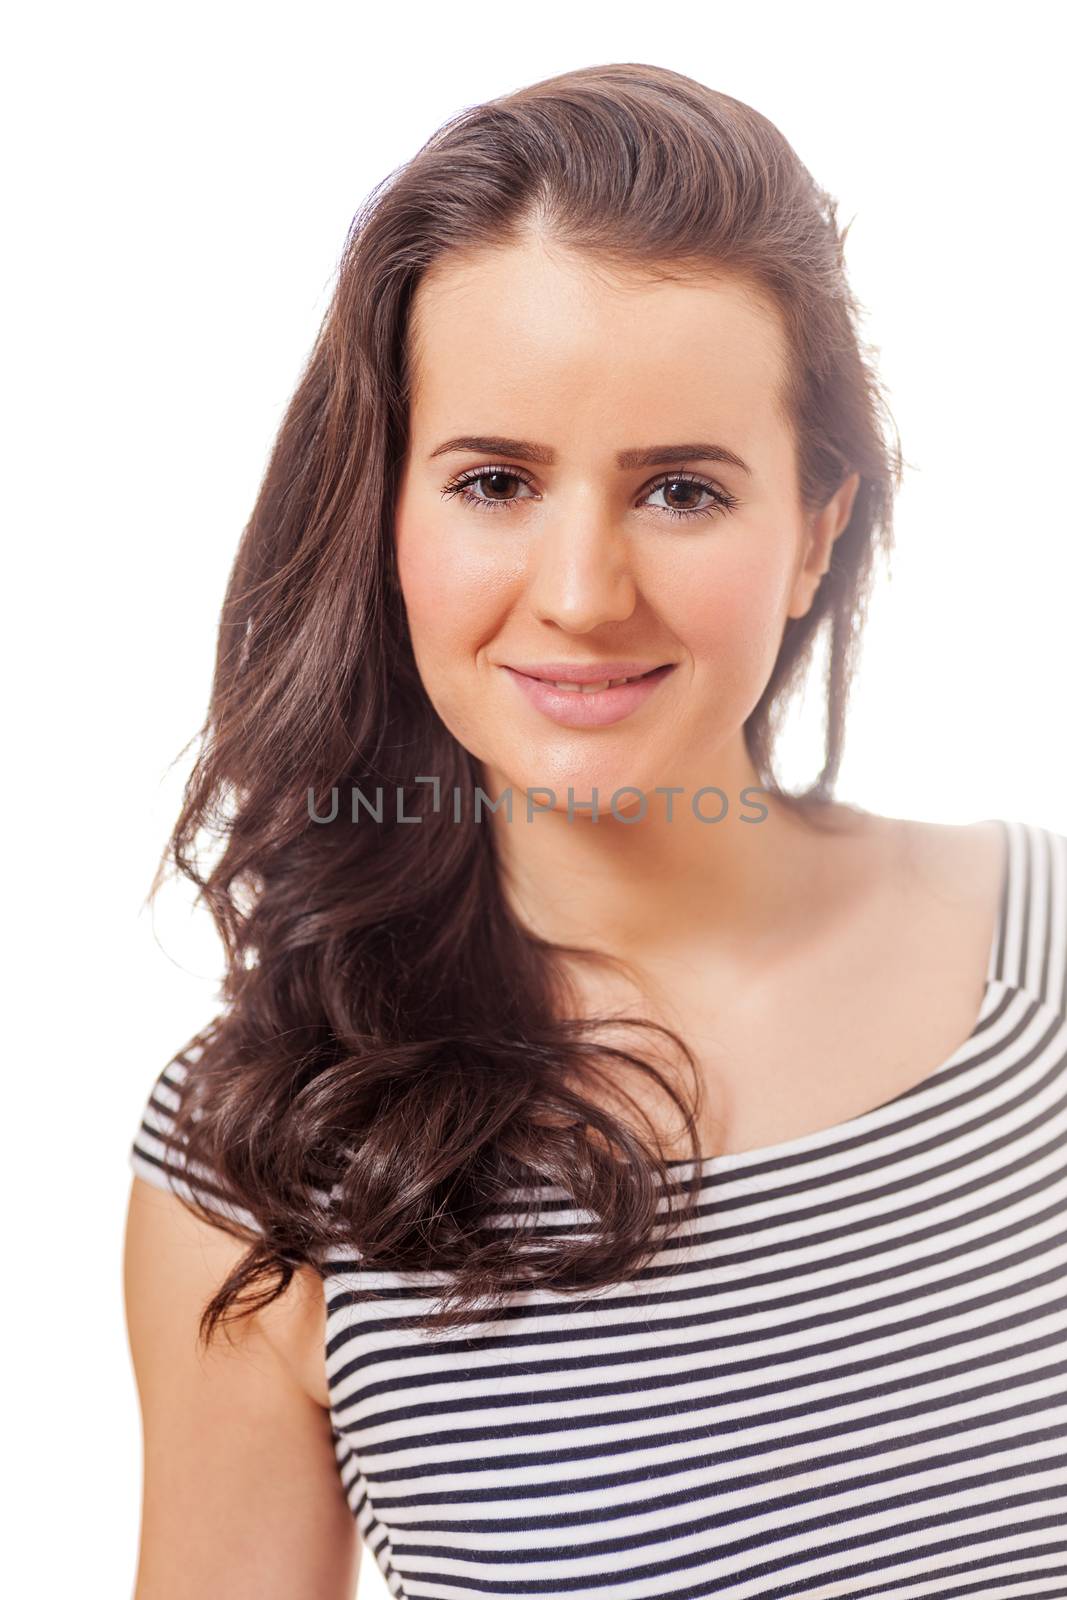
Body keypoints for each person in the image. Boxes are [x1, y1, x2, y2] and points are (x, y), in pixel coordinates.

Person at [123, 61, 1067, 1600]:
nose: (580, 592)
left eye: (682, 490)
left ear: (817, 529)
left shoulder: (1052, 943)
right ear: (389, 521)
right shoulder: (260, 1162)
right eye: (493, 480)